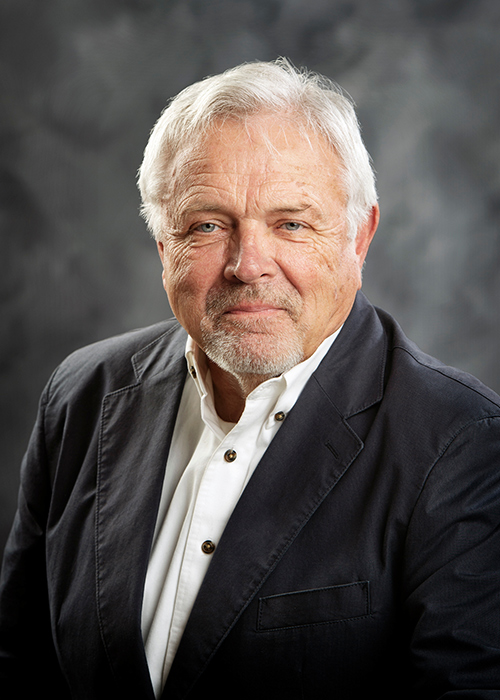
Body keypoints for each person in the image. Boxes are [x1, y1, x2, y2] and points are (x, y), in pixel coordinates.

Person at [1, 59, 499, 700]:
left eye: (291, 223)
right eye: (207, 225)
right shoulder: (81, 396)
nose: (247, 265)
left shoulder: (461, 442)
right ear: (162, 245)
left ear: (359, 237)